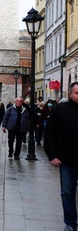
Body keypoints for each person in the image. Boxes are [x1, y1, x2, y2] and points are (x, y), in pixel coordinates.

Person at [44, 82, 78, 231]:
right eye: (77, 93)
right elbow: (50, 132)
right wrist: (52, 155)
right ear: (70, 94)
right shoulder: (61, 109)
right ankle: (70, 223)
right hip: (67, 159)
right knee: (67, 192)